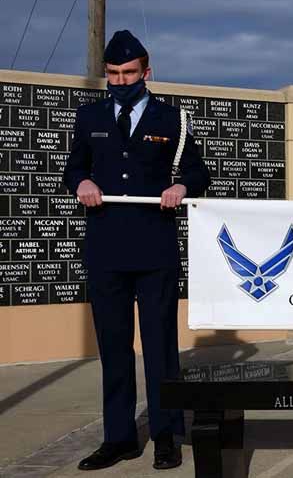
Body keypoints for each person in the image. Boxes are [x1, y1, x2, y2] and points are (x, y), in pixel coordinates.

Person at [63, 30, 211, 471]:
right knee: (113, 348)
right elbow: (74, 168)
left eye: (129, 73)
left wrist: (182, 186)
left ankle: (166, 436)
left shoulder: (173, 120)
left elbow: (198, 171)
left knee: (161, 347)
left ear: (147, 72)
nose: (121, 80)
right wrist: (82, 183)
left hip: (155, 248)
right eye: (113, 73)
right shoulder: (89, 117)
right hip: (106, 248)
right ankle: (120, 437)